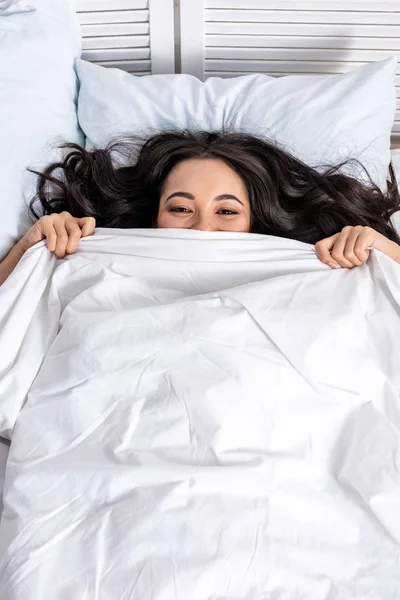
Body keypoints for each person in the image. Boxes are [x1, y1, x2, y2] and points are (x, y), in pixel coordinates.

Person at [1, 129, 400, 286]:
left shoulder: (311, 265)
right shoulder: (98, 256)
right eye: (180, 208)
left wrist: (381, 249)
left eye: (226, 211)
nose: (201, 228)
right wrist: (31, 246)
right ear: (154, 216)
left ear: (255, 219)